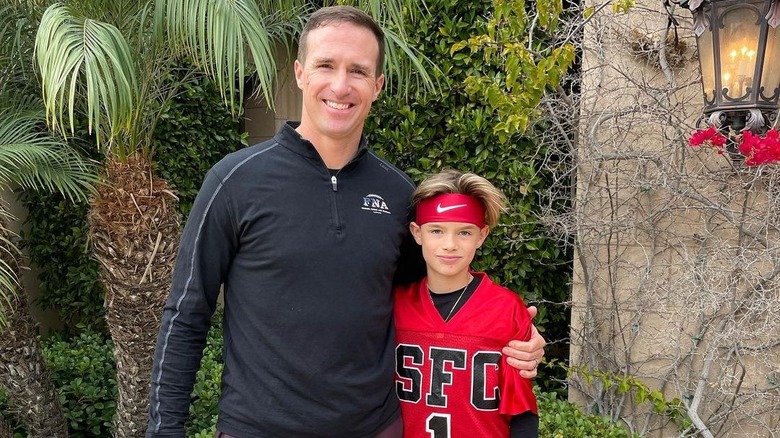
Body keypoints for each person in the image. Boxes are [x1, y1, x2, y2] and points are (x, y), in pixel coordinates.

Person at [146, 5, 545, 438]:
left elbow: (430, 297)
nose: (340, 84)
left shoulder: (397, 194)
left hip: (375, 428)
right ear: (300, 72)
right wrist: (165, 429)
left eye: (357, 70)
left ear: (377, 86)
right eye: (325, 65)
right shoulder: (234, 181)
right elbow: (187, 314)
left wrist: (514, 338)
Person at [394, 169, 539, 438]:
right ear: (417, 233)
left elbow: (522, 414)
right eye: (436, 230)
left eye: (464, 233)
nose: (450, 245)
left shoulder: (506, 309)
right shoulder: (394, 305)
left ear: (481, 236)